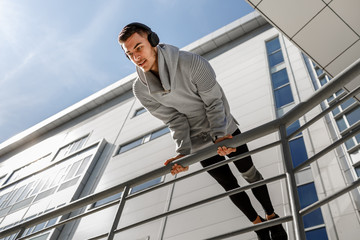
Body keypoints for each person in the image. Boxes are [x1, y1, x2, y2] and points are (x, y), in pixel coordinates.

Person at [118, 22, 287, 240]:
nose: (136, 57)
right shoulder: (140, 89)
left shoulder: (191, 62)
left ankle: (272, 215)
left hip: (224, 128)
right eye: (129, 54)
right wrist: (183, 152)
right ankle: (258, 225)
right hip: (198, 141)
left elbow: (214, 101)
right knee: (229, 185)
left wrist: (219, 136)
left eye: (138, 47)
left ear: (152, 41)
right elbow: (173, 119)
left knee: (249, 173)